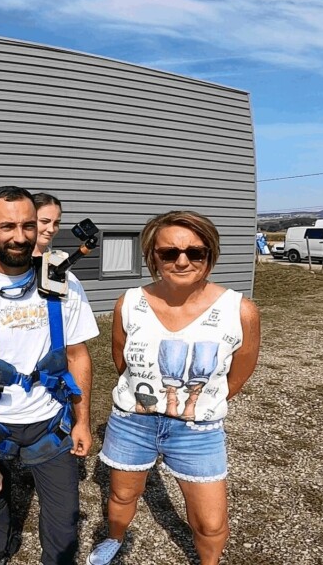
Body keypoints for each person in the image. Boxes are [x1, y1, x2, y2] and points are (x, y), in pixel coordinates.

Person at [88, 210, 262, 565]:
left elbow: (241, 372)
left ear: (210, 254)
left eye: (194, 252)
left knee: (211, 524)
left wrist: (203, 403)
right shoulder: (130, 303)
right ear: (153, 256)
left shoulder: (240, 310)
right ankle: (115, 538)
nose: (182, 261)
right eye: (168, 253)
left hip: (198, 430)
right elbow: (121, 360)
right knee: (122, 497)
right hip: (132, 423)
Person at [0, 186, 99, 565]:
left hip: (51, 424)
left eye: (28, 225)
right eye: (7, 226)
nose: (19, 236)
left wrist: (82, 421)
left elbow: (77, 353)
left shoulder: (61, 282)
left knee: (64, 520)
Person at [32, 192, 63, 256]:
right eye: (44, 221)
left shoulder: (59, 259)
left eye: (56, 223)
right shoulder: (10, 261)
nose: (51, 229)